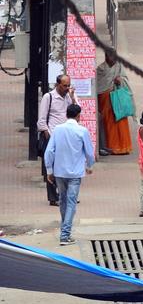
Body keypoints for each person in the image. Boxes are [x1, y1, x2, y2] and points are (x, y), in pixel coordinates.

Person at [43, 104, 95, 246]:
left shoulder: (57, 130)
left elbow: (49, 151)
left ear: (66, 114)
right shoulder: (82, 131)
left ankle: (65, 229)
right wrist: (90, 166)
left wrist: (49, 170)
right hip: (75, 173)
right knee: (71, 202)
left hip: (59, 172)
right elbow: (90, 152)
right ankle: (65, 235)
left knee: (63, 200)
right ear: (78, 116)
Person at [37, 74, 78, 205]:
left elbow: (77, 111)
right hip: (53, 136)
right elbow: (42, 119)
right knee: (52, 167)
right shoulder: (48, 97)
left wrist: (72, 97)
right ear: (57, 85)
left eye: (68, 85)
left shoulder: (69, 96)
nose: (67, 88)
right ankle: (53, 197)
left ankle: (66, 195)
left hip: (67, 136)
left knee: (66, 167)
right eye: (64, 86)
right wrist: (46, 133)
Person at [95, 49, 132, 156]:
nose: (114, 59)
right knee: (108, 123)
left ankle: (124, 147)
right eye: (111, 57)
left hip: (118, 100)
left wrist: (120, 80)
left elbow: (125, 80)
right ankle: (111, 147)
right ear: (106, 57)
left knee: (121, 122)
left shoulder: (119, 67)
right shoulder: (100, 69)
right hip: (105, 99)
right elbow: (99, 86)